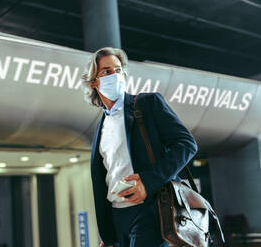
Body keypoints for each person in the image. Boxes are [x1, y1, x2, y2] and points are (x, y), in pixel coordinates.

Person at [81, 47, 198, 247]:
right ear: (93, 82)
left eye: (118, 70)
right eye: (107, 72)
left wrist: (147, 181)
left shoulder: (147, 104)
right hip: (117, 218)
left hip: (149, 210)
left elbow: (186, 144)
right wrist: (107, 235)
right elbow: (106, 178)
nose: (115, 76)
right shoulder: (101, 125)